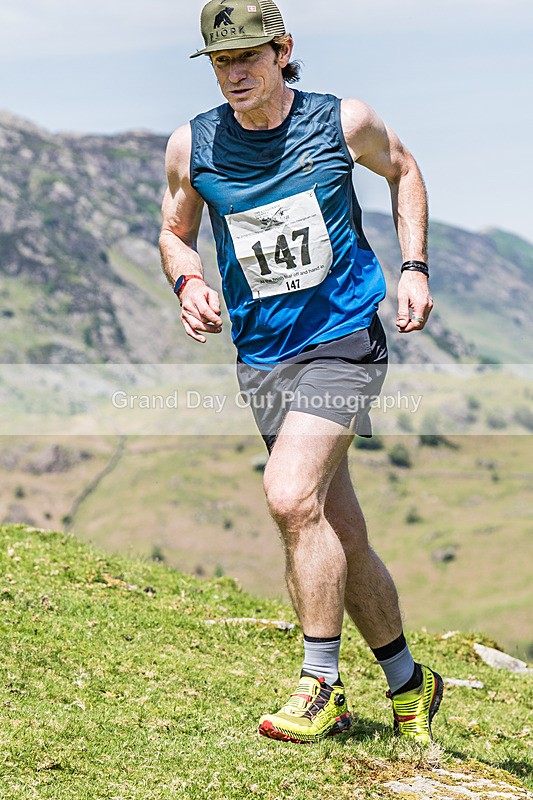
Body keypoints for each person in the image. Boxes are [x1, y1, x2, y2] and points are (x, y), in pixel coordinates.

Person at [160, 0, 442, 744]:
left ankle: (321, 685)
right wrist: (188, 283)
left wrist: (412, 267)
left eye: (248, 56)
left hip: (344, 338)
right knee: (333, 526)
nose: (235, 73)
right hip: (262, 357)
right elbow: (175, 230)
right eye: (222, 61)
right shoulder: (193, 145)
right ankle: (410, 682)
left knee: (288, 498)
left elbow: (403, 170)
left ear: (283, 50)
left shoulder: (340, 121)